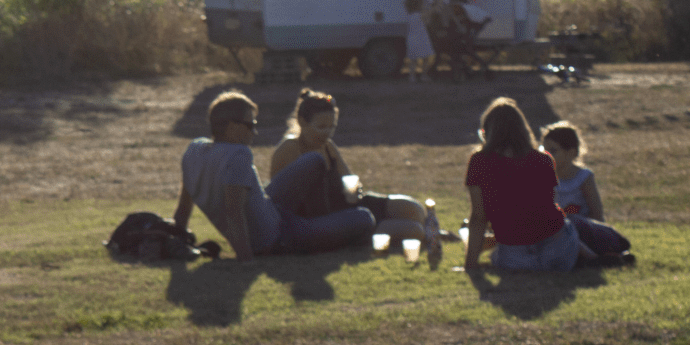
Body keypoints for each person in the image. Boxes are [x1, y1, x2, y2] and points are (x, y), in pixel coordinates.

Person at [173, 90, 374, 260]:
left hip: (270, 207)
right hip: (279, 236)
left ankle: (320, 219)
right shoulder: (238, 154)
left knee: (315, 160)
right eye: (250, 125)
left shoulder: (194, 149)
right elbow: (234, 212)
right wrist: (247, 260)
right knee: (364, 218)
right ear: (232, 128)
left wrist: (178, 241)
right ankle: (319, 225)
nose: (255, 133)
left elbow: (183, 209)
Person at [266, 88, 434, 251]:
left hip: (346, 206)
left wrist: (355, 190)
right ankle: (430, 234)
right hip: (328, 220)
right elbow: (286, 201)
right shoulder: (290, 149)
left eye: (332, 127)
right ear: (302, 122)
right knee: (414, 230)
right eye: (321, 127)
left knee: (415, 209)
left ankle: (433, 232)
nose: (327, 133)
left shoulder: (328, 146)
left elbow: (349, 180)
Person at [463, 96, 594, 273]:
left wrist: (470, 265)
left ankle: (593, 258)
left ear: (487, 132)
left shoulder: (480, 162)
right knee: (566, 226)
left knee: (496, 258)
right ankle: (593, 258)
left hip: (516, 255)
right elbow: (549, 205)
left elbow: (479, 218)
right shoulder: (543, 160)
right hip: (560, 250)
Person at [540, 122, 633, 266]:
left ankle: (609, 255)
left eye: (553, 150)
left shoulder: (583, 177)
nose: (547, 155)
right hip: (558, 233)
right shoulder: (543, 178)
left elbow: (597, 213)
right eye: (544, 150)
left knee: (570, 223)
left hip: (583, 229)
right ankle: (596, 259)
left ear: (571, 152)